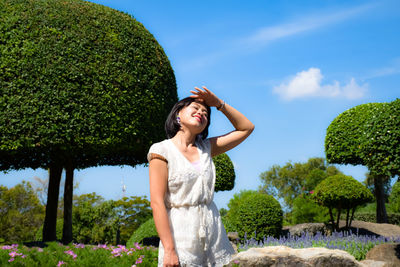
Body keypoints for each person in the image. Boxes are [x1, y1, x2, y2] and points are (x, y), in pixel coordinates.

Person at [148, 86, 254, 266]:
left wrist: (218, 104)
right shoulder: (161, 150)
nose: (201, 113)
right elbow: (157, 202)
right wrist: (169, 249)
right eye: (195, 108)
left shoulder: (207, 148)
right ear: (177, 115)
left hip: (213, 233)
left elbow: (246, 128)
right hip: (180, 235)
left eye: (205, 112)